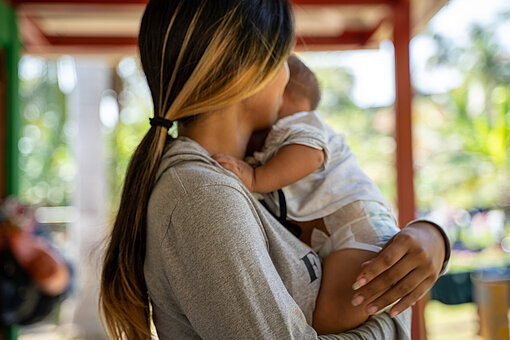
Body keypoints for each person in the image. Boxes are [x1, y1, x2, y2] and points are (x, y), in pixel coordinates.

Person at [99, 0, 450, 339]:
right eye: (284, 58)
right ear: (249, 69)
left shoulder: (244, 180)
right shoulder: (203, 196)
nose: (288, 74)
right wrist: (394, 315)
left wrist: (431, 241)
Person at [212, 54, 403, 333]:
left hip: (359, 226)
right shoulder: (279, 135)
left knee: (330, 320)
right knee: (329, 316)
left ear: (282, 90)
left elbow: (309, 155)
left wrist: (255, 177)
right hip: (339, 232)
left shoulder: (301, 122)